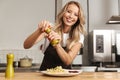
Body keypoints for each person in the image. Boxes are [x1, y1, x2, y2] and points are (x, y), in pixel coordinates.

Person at [23, 1, 86, 71]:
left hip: (65, 76)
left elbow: (68, 61)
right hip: (45, 74)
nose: (71, 16)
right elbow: (26, 45)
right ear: (63, 13)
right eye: (68, 11)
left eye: (76, 14)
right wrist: (39, 31)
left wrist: (57, 45)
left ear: (78, 19)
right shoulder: (51, 28)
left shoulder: (78, 36)